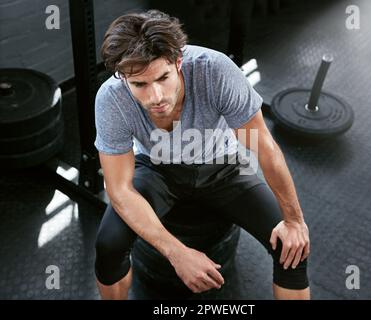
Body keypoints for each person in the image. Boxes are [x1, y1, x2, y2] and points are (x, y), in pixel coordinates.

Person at [94, 9, 310, 300]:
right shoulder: (111, 99)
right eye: (140, 85)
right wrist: (177, 253)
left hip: (224, 166)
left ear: (178, 60)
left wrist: (294, 220)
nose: (156, 96)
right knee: (108, 245)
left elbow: (265, 149)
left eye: (163, 77)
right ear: (122, 77)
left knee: (291, 250)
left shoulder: (215, 70)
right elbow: (119, 190)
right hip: (157, 168)